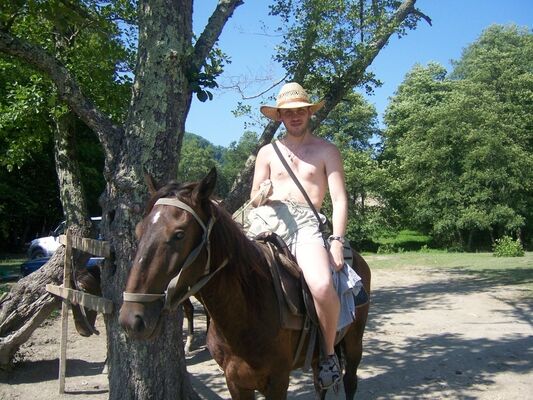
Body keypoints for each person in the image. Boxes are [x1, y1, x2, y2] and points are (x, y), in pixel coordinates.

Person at [247, 82, 347, 389]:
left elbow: (339, 199)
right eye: (288, 112)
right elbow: (254, 197)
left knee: (322, 285)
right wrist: (261, 194)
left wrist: (337, 241)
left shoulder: (327, 151)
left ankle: (328, 354)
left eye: (300, 110)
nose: (295, 116)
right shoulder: (267, 152)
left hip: (305, 223)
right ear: (279, 116)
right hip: (266, 220)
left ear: (309, 113)